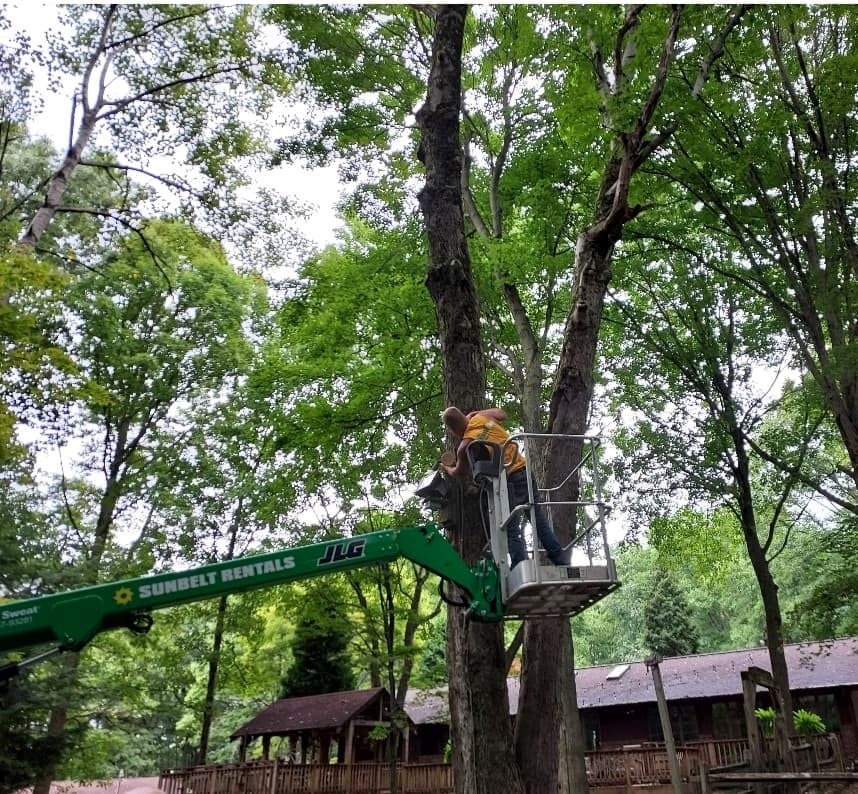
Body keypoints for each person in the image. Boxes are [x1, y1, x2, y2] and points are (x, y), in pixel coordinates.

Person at [440, 406, 568, 567]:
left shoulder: (465, 445)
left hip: (508, 479)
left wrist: (446, 468)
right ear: (464, 417)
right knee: (538, 519)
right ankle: (561, 561)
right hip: (524, 470)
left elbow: (459, 472)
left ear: (453, 430)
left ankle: (520, 565)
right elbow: (501, 413)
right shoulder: (482, 418)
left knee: (510, 526)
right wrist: (476, 414)